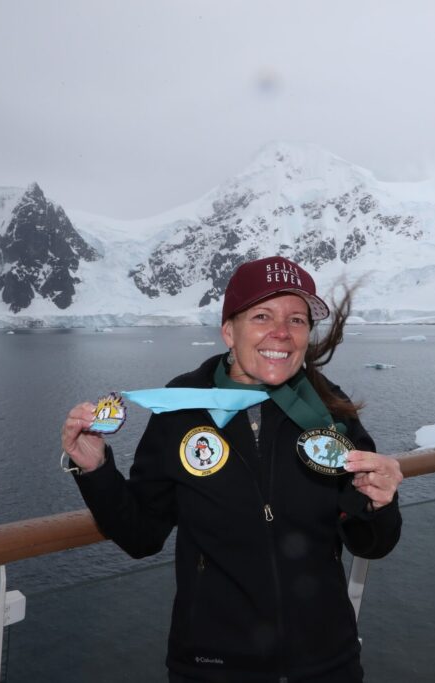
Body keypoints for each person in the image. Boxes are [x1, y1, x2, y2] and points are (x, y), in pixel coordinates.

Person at [61, 255, 403, 682]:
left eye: (297, 320)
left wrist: (380, 503)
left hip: (327, 662)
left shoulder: (329, 408)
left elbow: (371, 543)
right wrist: (96, 470)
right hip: (213, 666)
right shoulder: (182, 406)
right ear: (229, 331)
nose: (282, 332)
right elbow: (141, 535)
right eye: (263, 316)